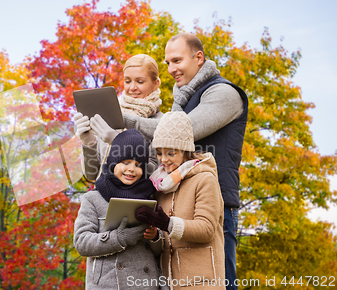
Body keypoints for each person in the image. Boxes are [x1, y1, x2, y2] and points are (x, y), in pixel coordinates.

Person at [124, 33, 248, 290]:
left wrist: (124, 119)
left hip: (216, 205)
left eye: (177, 60)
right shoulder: (184, 101)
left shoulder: (223, 93)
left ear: (198, 57)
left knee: (219, 282)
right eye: (167, 62)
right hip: (177, 206)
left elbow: (181, 132)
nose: (171, 69)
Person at [136, 111, 225, 289]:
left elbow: (206, 229)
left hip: (203, 281)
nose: (163, 160)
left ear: (185, 151)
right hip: (170, 281)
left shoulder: (204, 179)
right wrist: (155, 235)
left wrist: (168, 223)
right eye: (159, 153)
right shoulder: (161, 185)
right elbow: (165, 238)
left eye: (170, 153)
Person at [73, 129, 168, 290]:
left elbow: (159, 251)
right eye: (126, 162)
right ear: (113, 162)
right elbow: (82, 242)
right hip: (108, 284)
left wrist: (155, 237)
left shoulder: (149, 199)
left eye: (138, 165)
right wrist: (119, 238)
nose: (132, 169)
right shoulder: (93, 199)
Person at [73, 54, 164, 181]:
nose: (132, 87)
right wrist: (89, 143)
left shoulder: (161, 122)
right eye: (127, 81)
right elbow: (91, 174)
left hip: (137, 199)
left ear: (155, 84)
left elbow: (154, 172)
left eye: (140, 81)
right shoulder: (109, 117)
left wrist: (118, 143)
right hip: (102, 197)